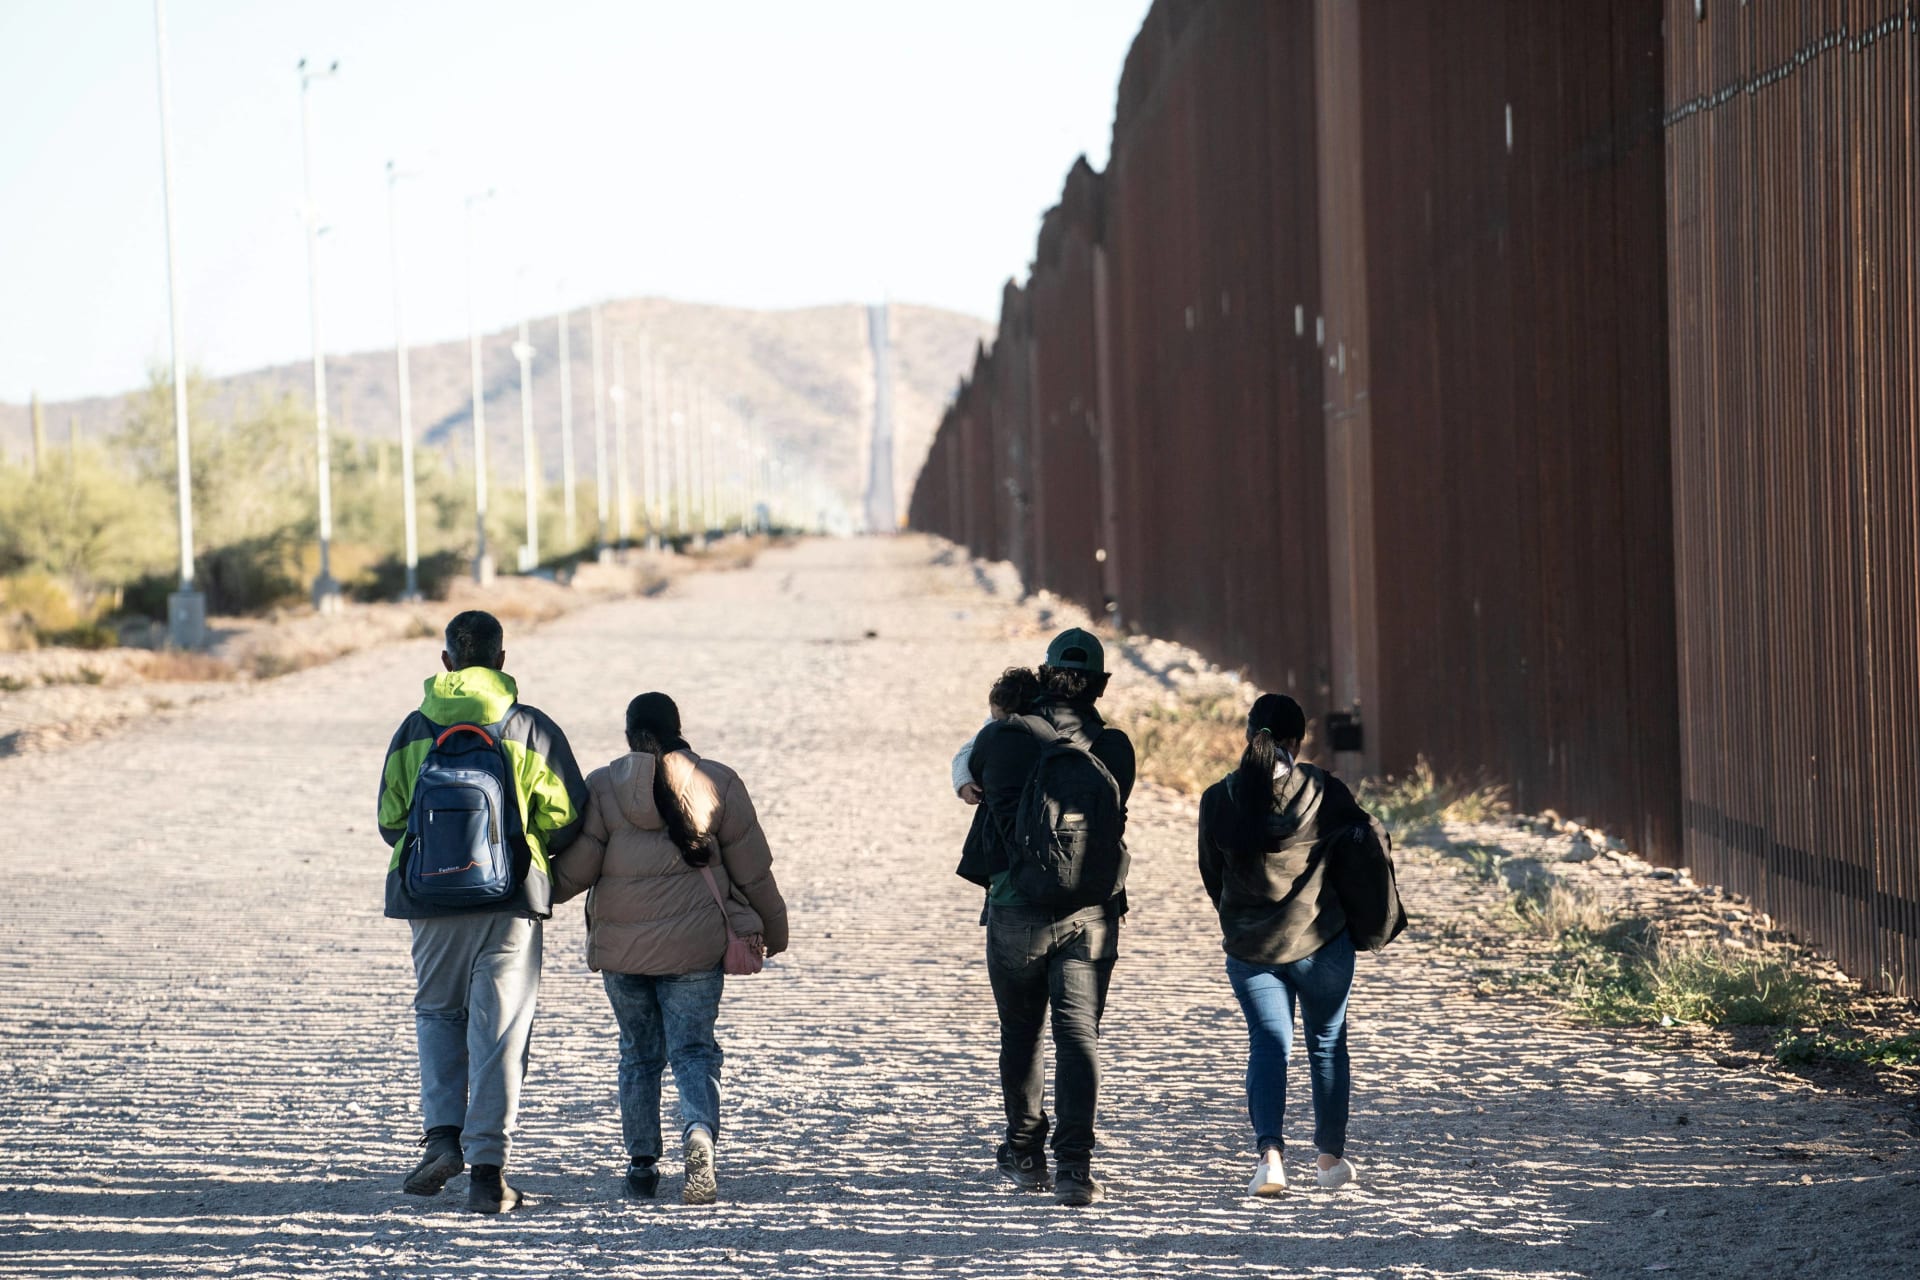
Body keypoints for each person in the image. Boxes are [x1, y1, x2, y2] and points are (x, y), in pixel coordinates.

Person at [376, 609, 589, 1213]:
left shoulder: (413, 730)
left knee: (439, 1016)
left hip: (428, 901)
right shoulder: (529, 727)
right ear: (502, 660)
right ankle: (487, 1174)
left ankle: (441, 1138)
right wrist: (521, 846)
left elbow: (391, 820)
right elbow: (570, 813)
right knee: (499, 1032)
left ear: (445, 662)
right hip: (510, 901)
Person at [551, 692, 788, 1205]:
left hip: (622, 953)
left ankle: (641, 1166)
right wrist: (775, 929)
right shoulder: (718, 781)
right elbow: (753, 871)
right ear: (676, 729)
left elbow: (576, 870)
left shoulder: (604, 787)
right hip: (696, 950)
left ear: (636, 736)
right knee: (694, 1050)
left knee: (638, 1055)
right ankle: (699, 1134)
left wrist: (526, 893)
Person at [957, 627, 1134, 1206]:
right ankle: (1074, 1169)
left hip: (1015, 907)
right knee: (1079, 1034)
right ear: (1100, 686)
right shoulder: (1115, 749)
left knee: (1023, 1032)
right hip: (1092, 910)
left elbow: (970, 774)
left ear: (1044, 673)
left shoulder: (1004, 737)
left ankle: (1025, 1152)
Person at [1196, 693, 1379, 1196]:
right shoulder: (1323, 789)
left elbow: (1213, 877)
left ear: (1249, 735)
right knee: (1326, 1045)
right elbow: (1363, 851)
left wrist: (1240, 920)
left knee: (1268, 1047)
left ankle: (1270, 1157)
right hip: (1323, 944)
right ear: (1298, 741)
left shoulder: (1219, 797)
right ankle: (1328, 1160)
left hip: (1253, 951)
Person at [951, 666, 1043, 805]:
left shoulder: (1039, 730)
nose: (995, 722)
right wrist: (964, 783)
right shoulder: (991, 727)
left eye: (1000, 720)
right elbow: (964, 753)